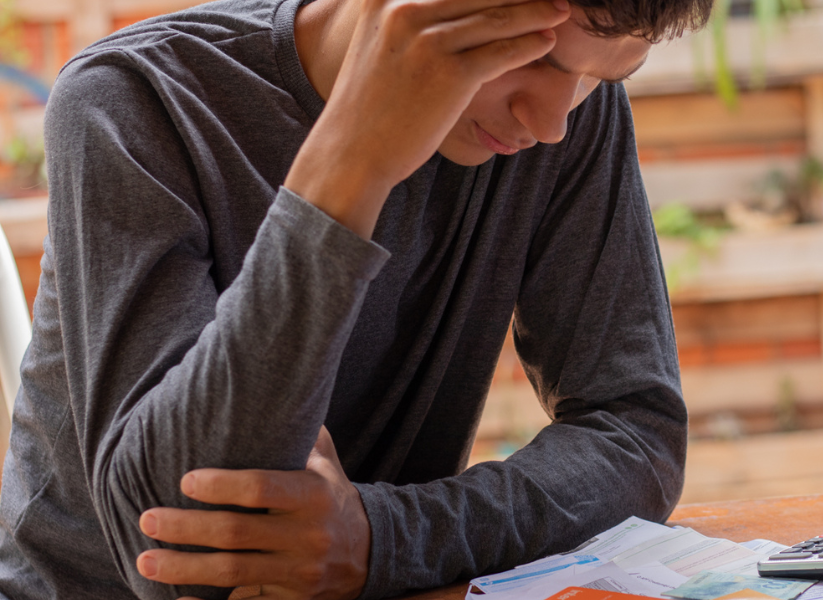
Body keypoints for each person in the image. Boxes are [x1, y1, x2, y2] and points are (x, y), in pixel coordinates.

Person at [0, 0, 711, 597]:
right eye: (536, 58)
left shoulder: (573, 117)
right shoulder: (138, 98)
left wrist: (381, 537)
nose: (552, 121)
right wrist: (352, 167)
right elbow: (182, 555)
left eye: (602, 76)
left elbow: (634, 432)